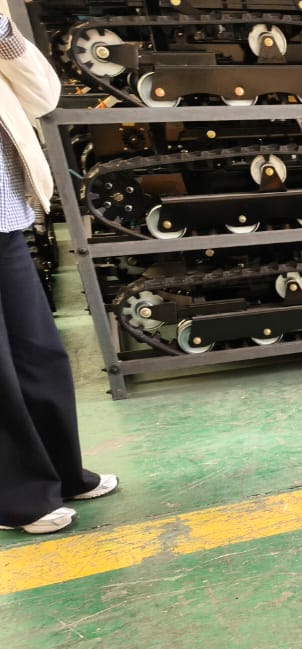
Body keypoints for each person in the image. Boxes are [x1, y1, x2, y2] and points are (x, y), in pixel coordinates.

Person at [0, 7, 117, 534]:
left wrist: (5, 36)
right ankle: (18, 498)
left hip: (6, 216)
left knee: (38, 350)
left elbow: (44, 97)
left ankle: (62, 472)